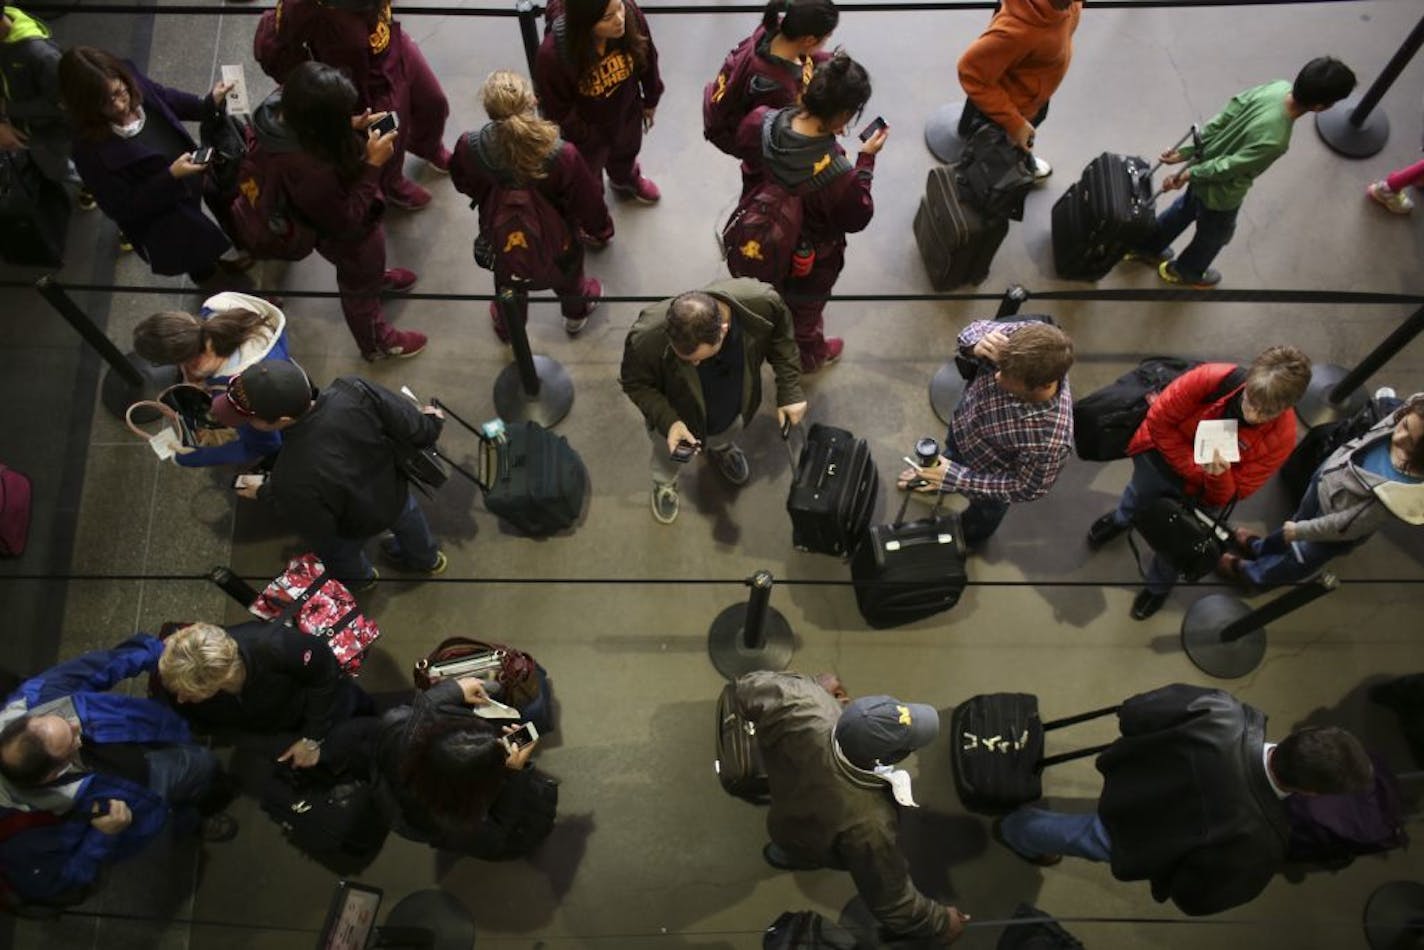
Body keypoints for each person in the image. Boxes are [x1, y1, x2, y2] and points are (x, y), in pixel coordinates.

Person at [996, 683, 1373, 916]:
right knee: (1080, 836)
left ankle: (1014, 827)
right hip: (1138, 839)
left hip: (1126, 775)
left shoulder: (1222, 712)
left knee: (1067, 827)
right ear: (1310, 791)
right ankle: (1014, 831)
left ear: (1301, 733)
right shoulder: (1263, 842)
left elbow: (1136, 712)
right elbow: (1196, 899)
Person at [734, 671, 970, 945]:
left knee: (786, 843)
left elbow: (745, 688)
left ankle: (779, 854)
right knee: (806, 848)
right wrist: (939, 922)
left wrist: (814, 688)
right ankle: (791, 855)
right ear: (890, 757)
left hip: (783, 815)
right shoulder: (871, 821)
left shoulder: (800, 699)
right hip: (816, 843)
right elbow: (891, 900)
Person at [0, 636, 237, 906]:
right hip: (144, 801)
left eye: (64, 721)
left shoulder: (41, 698)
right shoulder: (21, 829)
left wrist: (167, 654)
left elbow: (106, 664)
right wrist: (104, 836)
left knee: (200, 763)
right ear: (51, 775)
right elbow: (60, 883)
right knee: (177, 811)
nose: (76, 725)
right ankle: (193, 822)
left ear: (31, 719)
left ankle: (205, 782)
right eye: (70, 741)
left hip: (152, 733)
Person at [1086, 345, 1311, 620]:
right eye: (1251, 400)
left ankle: (1157, 587)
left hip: (1201, 496)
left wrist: (1218, 476)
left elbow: (1238, 491)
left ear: (1287, 407)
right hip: (1159, 465)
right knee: (1136, 496)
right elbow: (1158, 423)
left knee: (1177, 542)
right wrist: (1197, 468)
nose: (1253, 414)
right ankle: (1122, 520)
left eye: (1267, 412)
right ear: (1249, 381)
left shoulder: (1282, 436)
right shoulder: (1211, 379)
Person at [1122, 56, 1356, 288]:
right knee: (1214, 235)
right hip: (1222, 195)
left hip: (1199, 171)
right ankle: (1186, 271)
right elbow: (1230, 168)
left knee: (1183, 210)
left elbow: (1223, 119)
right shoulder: (1276, 139)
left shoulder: (1276, 87)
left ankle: (1146, 247)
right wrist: (1187, 175)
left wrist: (1186, 154)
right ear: (1319, 107)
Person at [229, 360, 447, 587]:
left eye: (250, 418)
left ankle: (363, 580)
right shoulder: (354, 388)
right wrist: (432, 421)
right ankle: (427, 560)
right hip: (394, 491)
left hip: (350, 524)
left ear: (282, 421)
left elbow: (318, 529)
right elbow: (419, 431)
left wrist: (264, 491)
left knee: (341, 554)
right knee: (410, 521)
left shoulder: (289, 473)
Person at [733, 52, 884, 371]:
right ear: (844, 115)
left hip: (759, 230)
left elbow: (745, 154)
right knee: (805, 311)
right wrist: (866, 162)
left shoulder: (762, 120)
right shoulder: (839, 175)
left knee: (769, 290)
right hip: (810, 261)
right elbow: (858, 217)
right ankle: (809, 355)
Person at [270, 61, 428, 361]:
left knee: (365, 273)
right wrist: (373, 166)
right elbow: (347, 220)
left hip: (347, 223)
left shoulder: (287, 120)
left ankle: (374, 279)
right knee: (358, 293)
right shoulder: (309, 173)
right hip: (349, 238)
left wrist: (351, 124)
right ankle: (377, 342)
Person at [620, 278, 807, 525]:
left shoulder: (761, 303)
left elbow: (781, 338)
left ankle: (720, 448)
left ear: (724, 329)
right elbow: (636, 384)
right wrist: (670, 422)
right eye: (685, 359)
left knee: (727, 432)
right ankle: (665, 481)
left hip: (731, 406)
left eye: (700, 358)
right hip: (679, 421)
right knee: (671, 457)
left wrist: (790, 389)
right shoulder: (646, 339)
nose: (695, 365)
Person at [58, 47, 247, 283]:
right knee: (194, 247)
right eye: (105, 103)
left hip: (187, 178)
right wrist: (170, 177)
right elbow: (121, 207)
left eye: (119, 93)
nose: (118, 106)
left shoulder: (130, 74)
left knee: (203, 219)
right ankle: (208, 275)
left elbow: (165, 98)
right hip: (163, 211)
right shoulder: (88, 151)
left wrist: (207, 103)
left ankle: (217, 258)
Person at [450, 70, 609, 341]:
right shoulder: (562, 154)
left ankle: (509, 326)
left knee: (508, 280)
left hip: (501, 239)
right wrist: (600, 229)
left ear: (489, 111)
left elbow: (462, 182)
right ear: (533, 102)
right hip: (560, 244)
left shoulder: (470, 146)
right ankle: (575, 314)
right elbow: (588, 201)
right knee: (570, 279)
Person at [254, 0, 451, 211]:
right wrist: (316, 88)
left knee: (435, 103)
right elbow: (277, 45)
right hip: (367, 84)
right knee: (389, 136)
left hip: (392, 44)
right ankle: (391, 183)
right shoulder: (309, 8)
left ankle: (427, 145)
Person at [896, 318, 1074, 547]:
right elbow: (973, 330)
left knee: (984, 514)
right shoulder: (1025, 339)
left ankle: (969, 536)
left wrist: (958, 479)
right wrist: (975, 344)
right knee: (950, 455)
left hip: (987, 478)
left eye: (1009, 378)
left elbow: (1027, 487)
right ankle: (936, 477)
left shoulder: (1050, 440)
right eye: (1000, 367)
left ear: (1042, 385)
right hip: (963, 428)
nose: (997, 376)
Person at [1219, 393, 1424, 591]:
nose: (1398, 438)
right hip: (1326, 485)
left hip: (1331, 530)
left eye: (1411, 443)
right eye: (1404, 425)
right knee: (1293, 525)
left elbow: (1342, 527)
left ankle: (1252, 575)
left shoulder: (1393, 495)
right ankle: (1262, 548)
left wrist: (1300, 531)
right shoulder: (1412, 416)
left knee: (1298, 556)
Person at [154, 621, 376, 770]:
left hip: (325, 707)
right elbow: (216, 729)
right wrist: (277, 745)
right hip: (278, 731)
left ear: (225, 676)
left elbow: (324, 675)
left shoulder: (275, 646)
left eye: (191, 694)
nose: (181, 699)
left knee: (365, 721)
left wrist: (311, 737)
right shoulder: (176, 683)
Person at [373, 675, 544, 856]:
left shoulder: (397, 727)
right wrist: (514, 772)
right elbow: (498, 831)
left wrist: (454, 690)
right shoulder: (455, 823)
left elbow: (423, 709)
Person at [131, 292, 290, 468]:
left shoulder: (238, 394)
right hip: (288, 376)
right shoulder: (218, 306)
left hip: (278, 416)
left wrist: (189, 458)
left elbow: (265, 445)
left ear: (175, 361)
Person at [535, 0, 664, 204]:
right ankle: (592, 206)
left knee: (626, 152)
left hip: (626, 112)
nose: (619, 19)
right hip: (587, 130)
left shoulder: (629, 12)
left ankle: (624, 178)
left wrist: (651, 98)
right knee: (587, 175)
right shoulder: (553, 54)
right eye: (607, 17)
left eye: (619, 7)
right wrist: (586, 135)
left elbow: (647, 54)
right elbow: (557, 108)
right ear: (584, 22)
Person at [705, 0, 838, 170]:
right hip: (760, 150)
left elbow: (808, 56)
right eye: (827, 37)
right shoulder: (778, 88)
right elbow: (785, 136)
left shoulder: (774, 28)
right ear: (810, 40)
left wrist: (832, 61)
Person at [955, 0, 1081, 180]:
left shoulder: (1068, 4)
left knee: (1025, 135)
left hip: (1035, 98)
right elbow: (971, 71)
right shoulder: (1018, 29)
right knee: (994, 160)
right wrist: (1015, 124)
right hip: (1008, 110)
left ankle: (1018, 159)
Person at [0, 5, 92, 206]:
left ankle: (93, 184)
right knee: (53, 167)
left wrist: (8, 109)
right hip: (29, 128)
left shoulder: (40, 55)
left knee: (66, 164)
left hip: (54, 130)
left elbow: (63, 103)